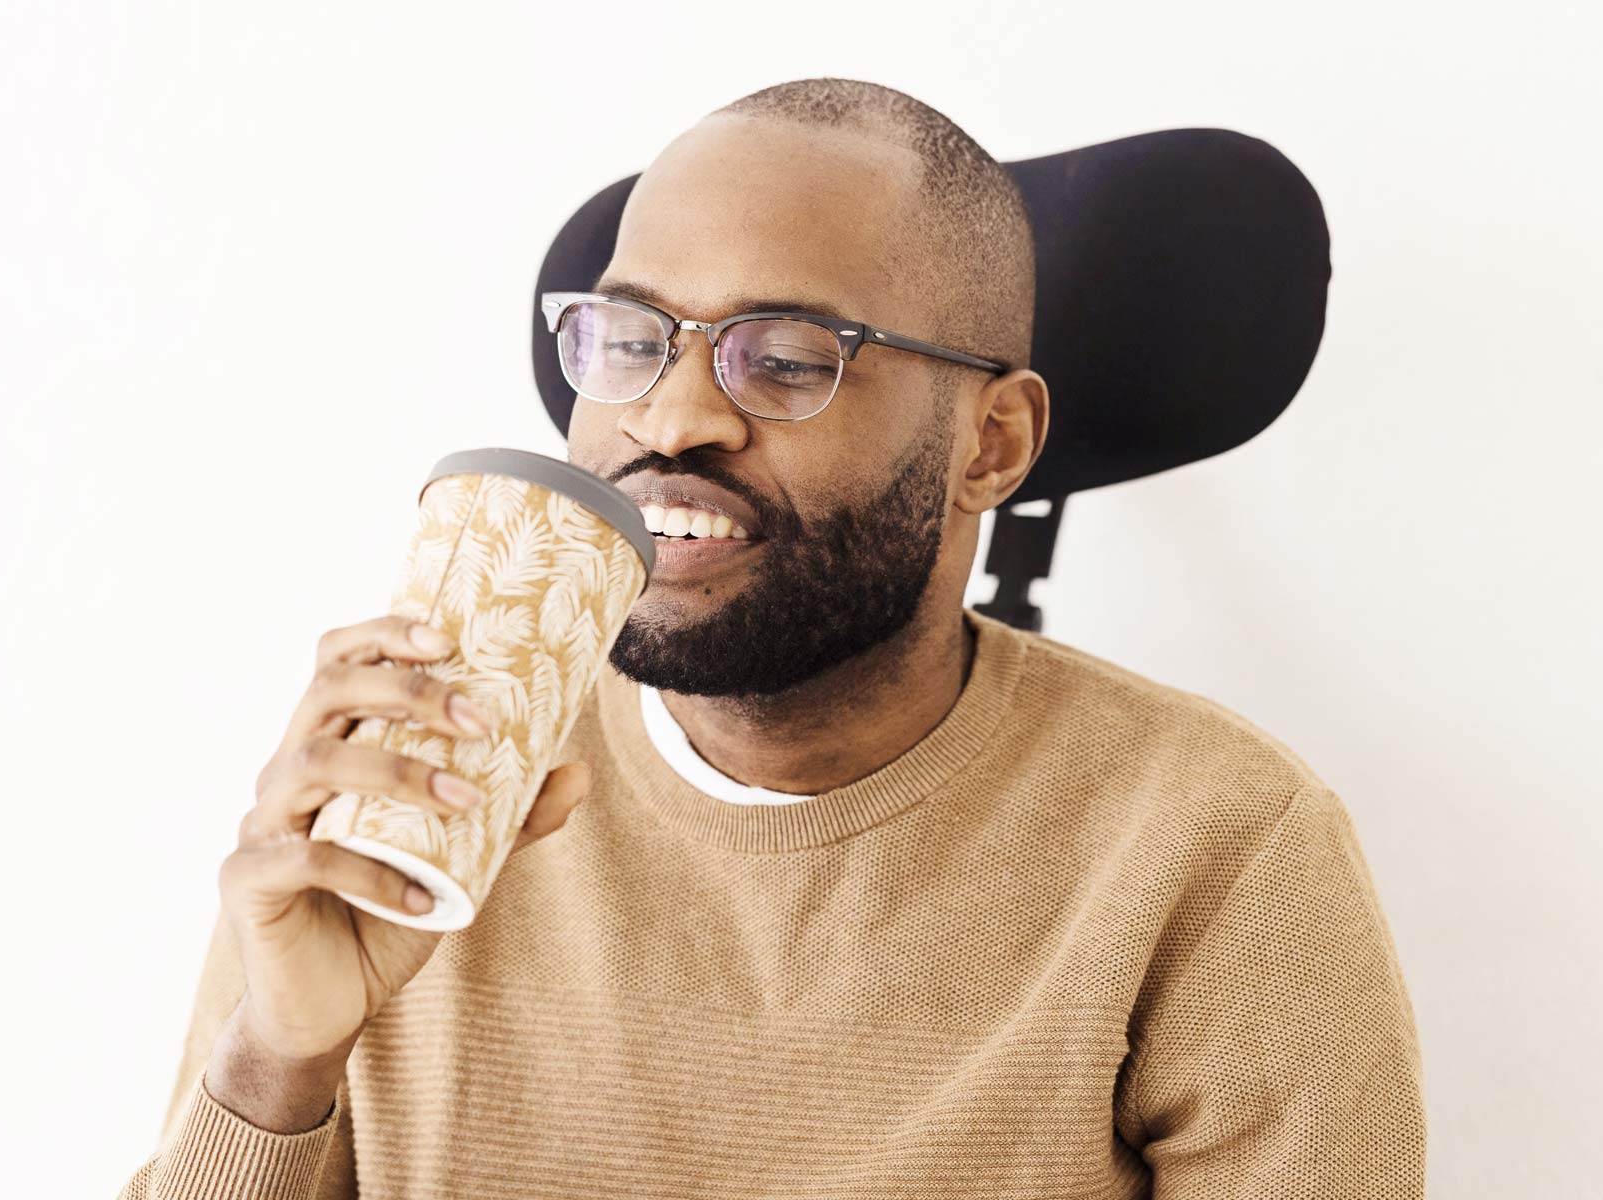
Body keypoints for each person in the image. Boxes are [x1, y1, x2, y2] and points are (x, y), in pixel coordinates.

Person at [114, 77, 1424, 1198]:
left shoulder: (1217, 848)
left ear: (994, 445)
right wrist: (275, 1062)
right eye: (629, 340)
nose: (671, 419)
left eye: (787, 358)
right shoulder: (417, 788)